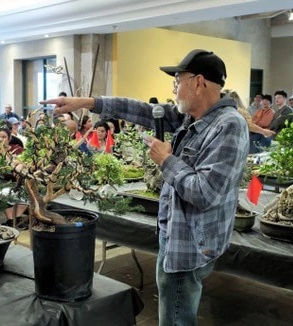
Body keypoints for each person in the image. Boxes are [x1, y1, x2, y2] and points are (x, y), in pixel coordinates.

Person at [42, 49, 249, 325]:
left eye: (178, 80)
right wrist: (87, 102)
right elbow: (139, 109)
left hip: (190, 244)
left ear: (199, 83)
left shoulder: (229, 127)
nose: (174, 87)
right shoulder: (193, 117)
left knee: (176, 316)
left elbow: (205, 192)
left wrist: (166, 160)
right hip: (176, 235)